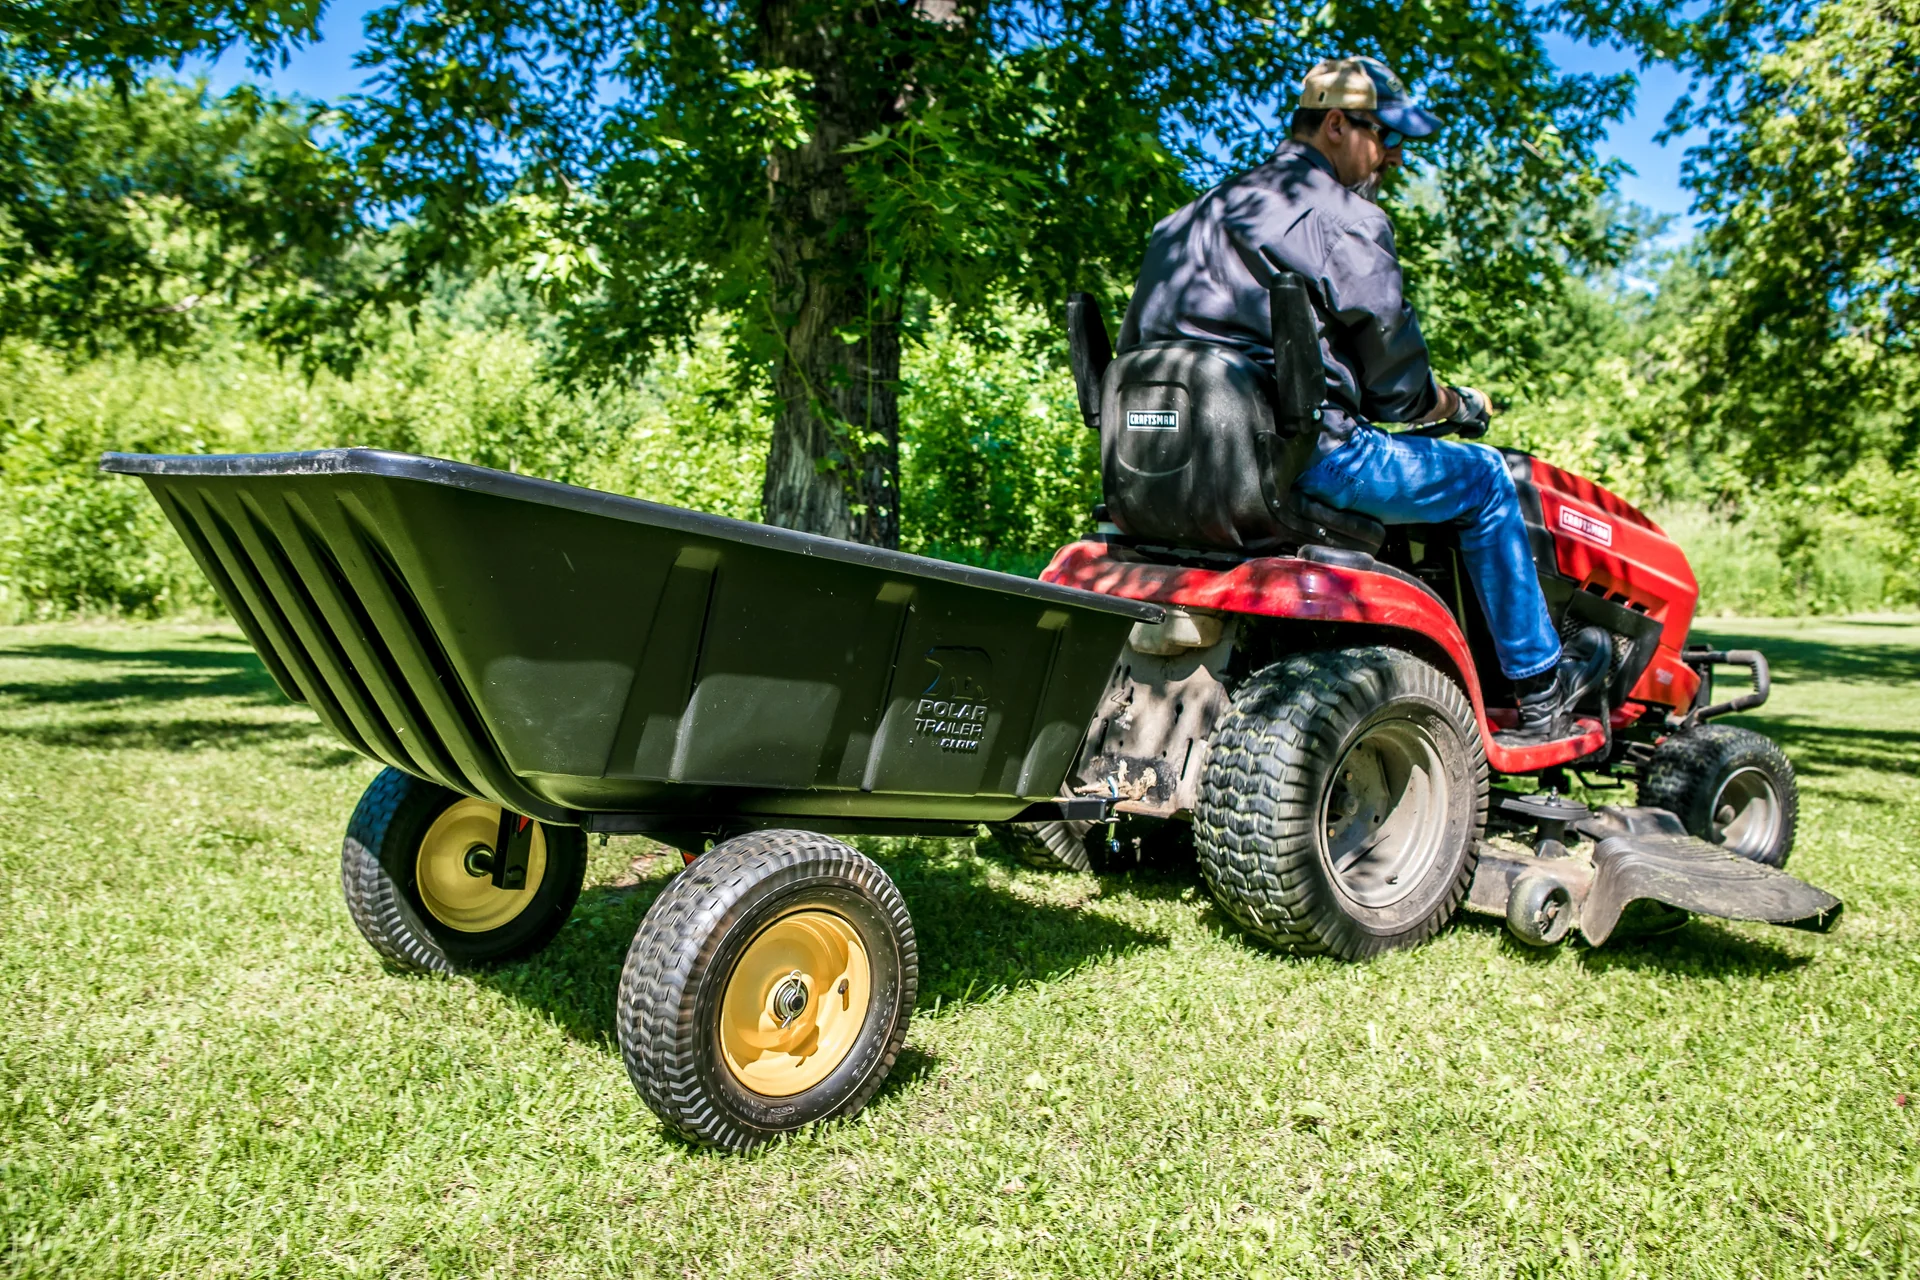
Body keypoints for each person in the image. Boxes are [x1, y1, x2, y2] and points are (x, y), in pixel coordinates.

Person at [1116, 55, 1607, 745]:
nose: (1395, 156)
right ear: (1337, 124)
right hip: (1305, 459)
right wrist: (1454, 403)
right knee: (1487, 479)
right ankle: (1541, 689)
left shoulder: (1188, 220)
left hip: (1162, 469)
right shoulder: (1344, 218)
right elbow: (1397, 388)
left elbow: (1140, 351)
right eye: (1387, 136)